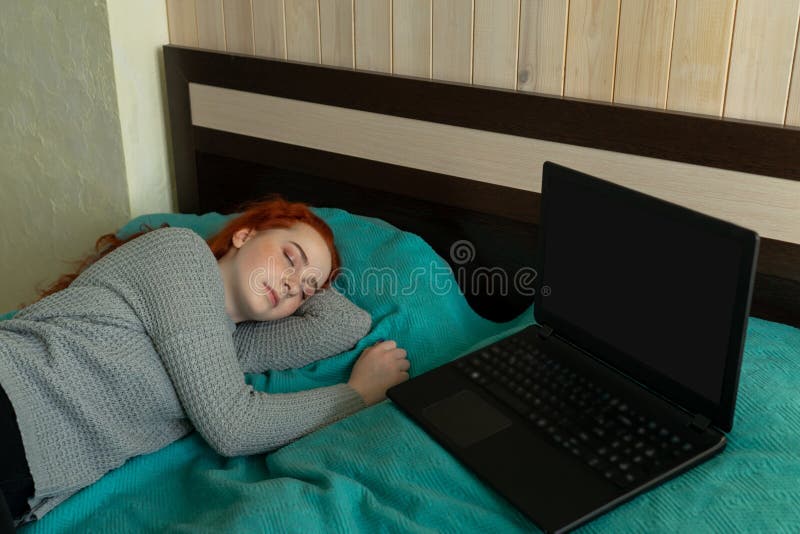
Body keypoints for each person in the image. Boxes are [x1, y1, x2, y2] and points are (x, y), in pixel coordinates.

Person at [0, 196, 410, 529]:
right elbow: (233, 425)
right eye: (289, 257)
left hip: (21, 482)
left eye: (305, 290)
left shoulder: (228, 347)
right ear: (244, 234)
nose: (291, 284)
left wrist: (309, 279)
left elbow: (346, 324)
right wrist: (354, 395)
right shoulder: (181, 253)